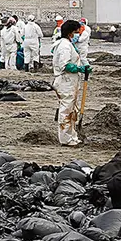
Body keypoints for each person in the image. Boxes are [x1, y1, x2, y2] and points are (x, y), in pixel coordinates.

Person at [53, 19, 90, 147]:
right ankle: (65, 139)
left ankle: (72, 136)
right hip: (65, 80)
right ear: (70, 33)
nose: (77, 35)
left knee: (72, 109)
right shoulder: (64, 46)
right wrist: (79, 69)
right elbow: (64, 65)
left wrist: (84, 66)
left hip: (70, 81)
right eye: (76, 33)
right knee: (66, 110)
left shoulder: (68, 44)